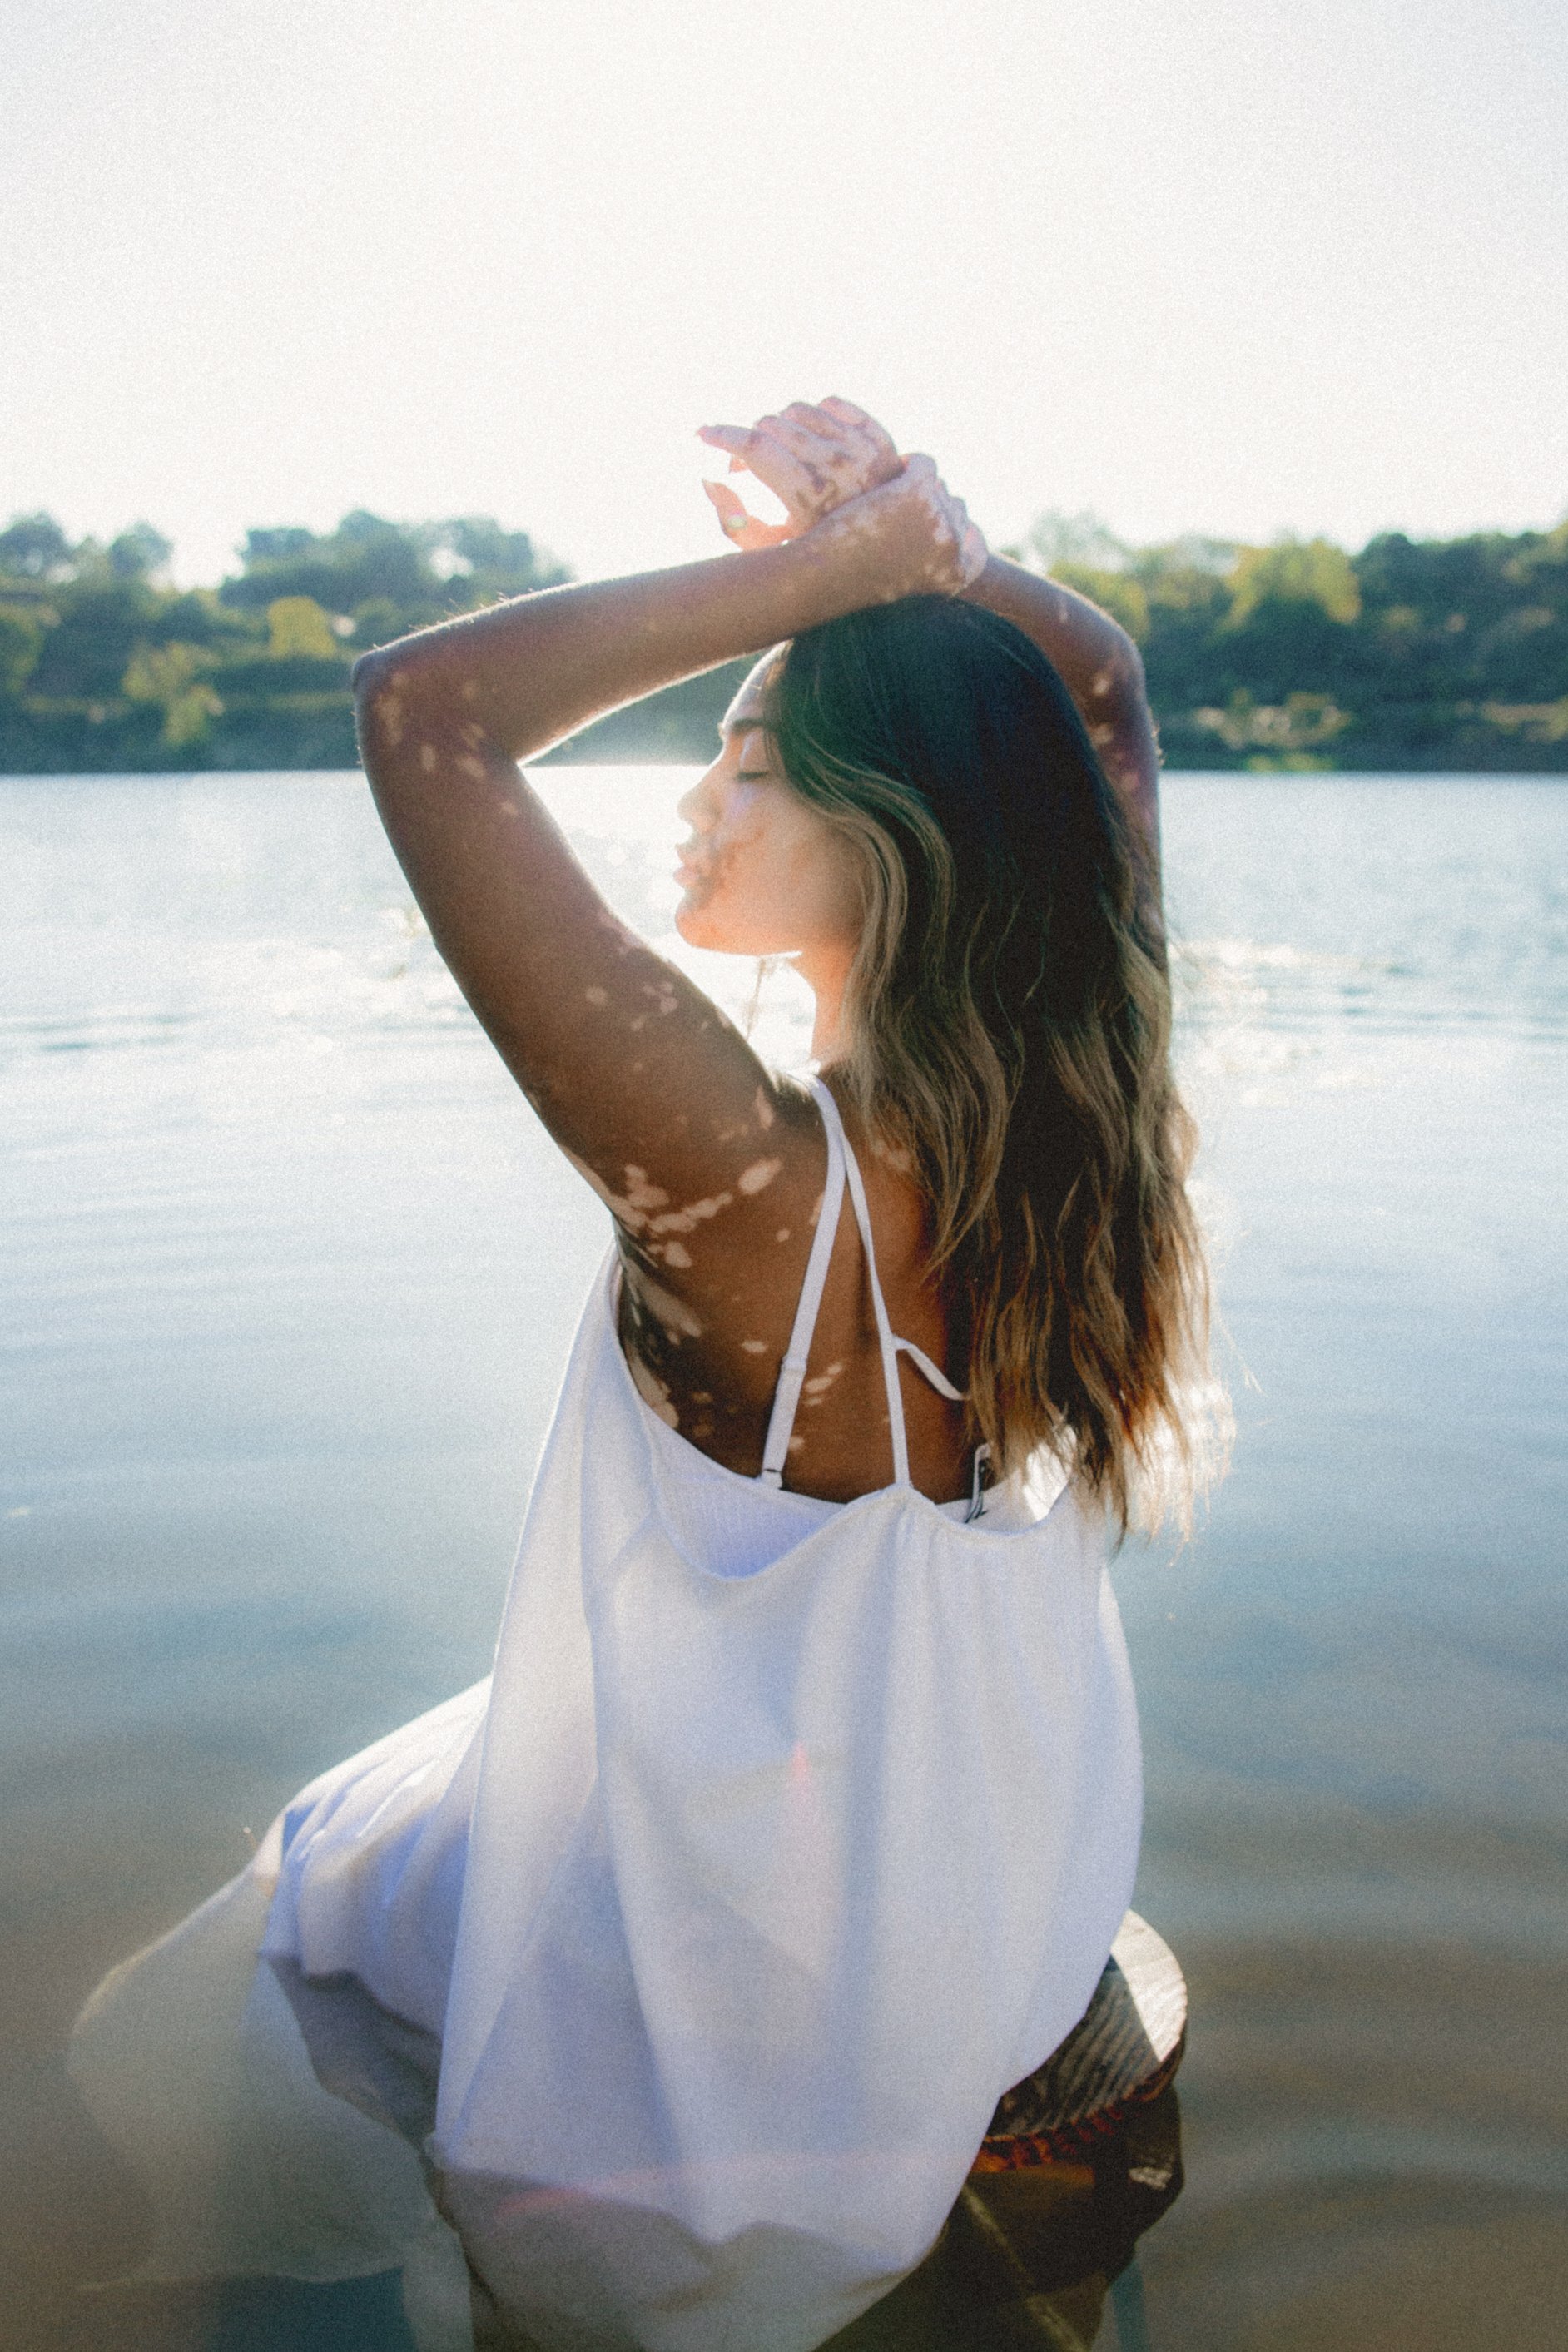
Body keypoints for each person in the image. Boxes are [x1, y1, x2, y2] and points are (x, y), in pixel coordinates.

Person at [70, 400, 1222, 2352]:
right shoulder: (1093, 1128)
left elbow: (423, 713)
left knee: (290, 1932)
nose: (693, 797)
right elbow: (1095, 676)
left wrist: (821, 572)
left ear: (894, 832)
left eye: (750, 764)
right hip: (1006, 1941)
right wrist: (933, 553)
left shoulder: (759, 1195)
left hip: (738, 2065)